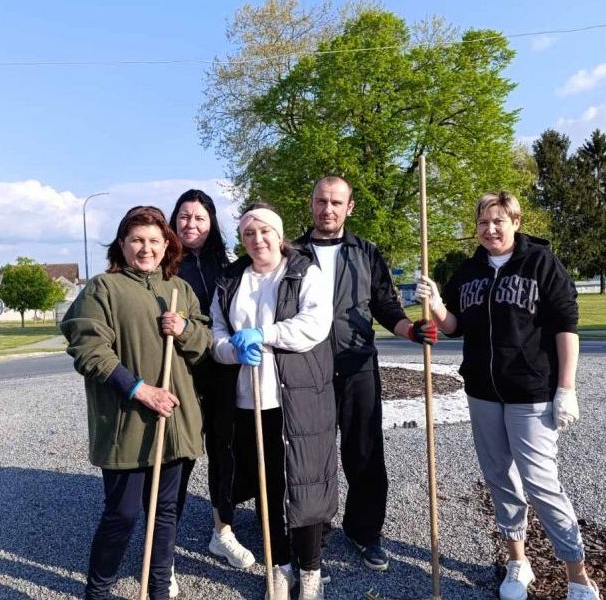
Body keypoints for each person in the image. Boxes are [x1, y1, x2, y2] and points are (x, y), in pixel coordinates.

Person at [415, 191, 600, 600]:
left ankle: (578, 576)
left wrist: (566, 388)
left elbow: (566, 326)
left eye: (499, 221)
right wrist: (437, 303)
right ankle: (518, 562)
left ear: (515, 222)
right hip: (483, 393)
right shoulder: (469, 270)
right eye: (483, 222)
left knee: (541, 483)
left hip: (531, 393)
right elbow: (452, 327)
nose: (491, 229)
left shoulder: (540, 263)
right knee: (500, 480)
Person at [61, 205, 212, 600]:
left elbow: (203, 346)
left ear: (167, 245)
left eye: (154, 241)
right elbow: (90, 350)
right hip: (128, 422)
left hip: (175, 424)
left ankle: (158, 589)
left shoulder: (179, 290)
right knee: (123, 514)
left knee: (165, 516)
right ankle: (98, 592)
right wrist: (140, 390)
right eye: (136, 240)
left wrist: (184, 329)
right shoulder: (102, 288)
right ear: (123, 244)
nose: (146, 249)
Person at [295, 176, 437, 573]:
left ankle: (363, 531)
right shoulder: (293, 253)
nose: (328, 209)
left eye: (336, 202)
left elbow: (386, 305)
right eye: (321, 201)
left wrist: (411, 329)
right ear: (312, 204)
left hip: (357, 364)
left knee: (365, 452)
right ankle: (313, 529)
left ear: (349, 208)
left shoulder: (366, 253)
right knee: (312, 454)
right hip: (308, 368)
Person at [210, 204, 337, 600]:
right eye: (248, 233)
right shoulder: (231, 280)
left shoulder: (302, 272)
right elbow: (214, 332)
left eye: (264, 231)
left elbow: (315, 324)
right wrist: (231, 348)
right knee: (268, 487)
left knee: (304, 484)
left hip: (296, 399)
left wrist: (264, 334)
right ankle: (280, 566)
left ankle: (311, 569)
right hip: (249, 402)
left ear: (278, 235)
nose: (257, 239)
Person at [169, 190, 255, 574]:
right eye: (184, 217)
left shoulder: (230, 265)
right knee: (180, 457)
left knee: (225, 454)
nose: (191, 225)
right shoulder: (165, 265)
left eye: (199, 218)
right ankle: (163, 547)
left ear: (212, 222)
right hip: (181, 374)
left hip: (222, 373)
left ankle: (222, 531)